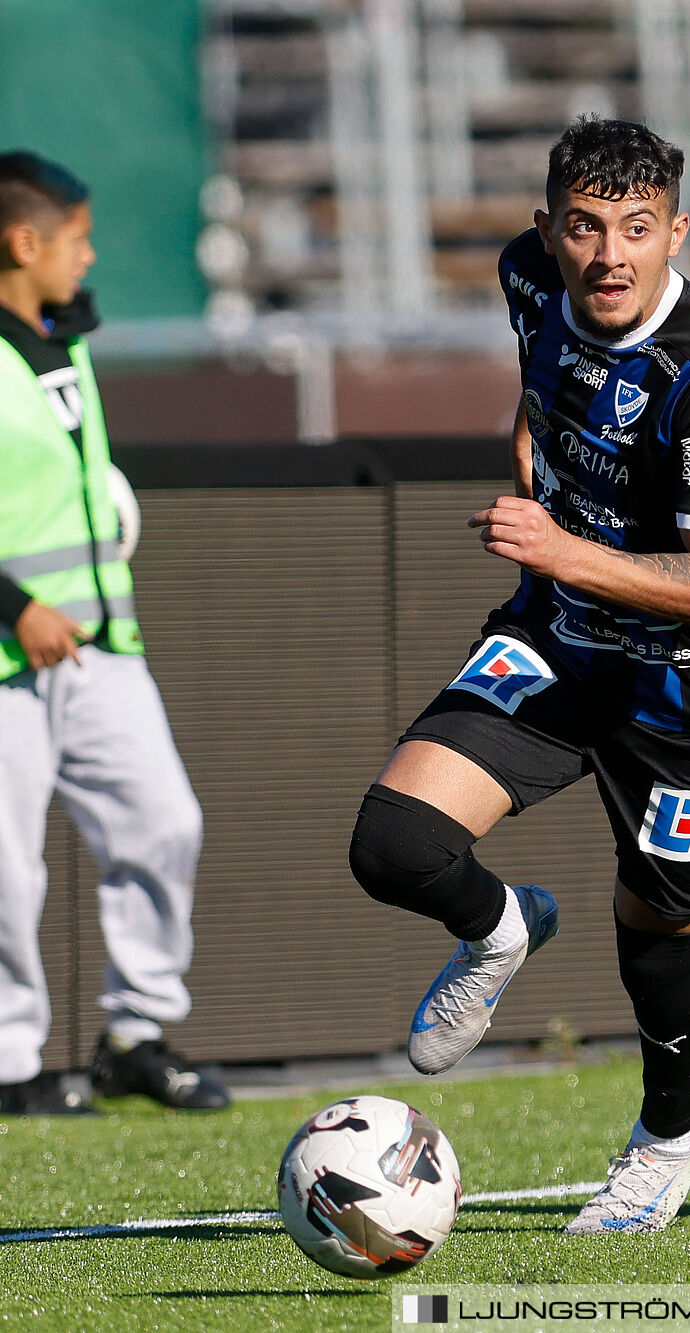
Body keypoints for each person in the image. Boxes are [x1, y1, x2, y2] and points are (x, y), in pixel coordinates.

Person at [347, 117, 690, 1235]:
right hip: (561, 639)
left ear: (674, 231)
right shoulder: (527, 276)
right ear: (548, 229)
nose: (608, 255)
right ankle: (498, 928)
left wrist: (560, 549)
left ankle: (667, 1138)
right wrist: (533, 438)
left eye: (636, 230)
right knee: (394, 842)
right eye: (584, 228)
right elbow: (541, 379)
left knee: (655, 936)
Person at [0, 150, 229, 1115]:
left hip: (101, 646)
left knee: (164, 822)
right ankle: (11, 1064)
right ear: (23, 241)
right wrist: (15, 608)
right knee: (7, 866)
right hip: (12, 651)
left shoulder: (68, 337)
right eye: (78, 238)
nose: (91, 255)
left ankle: (136, 1032)